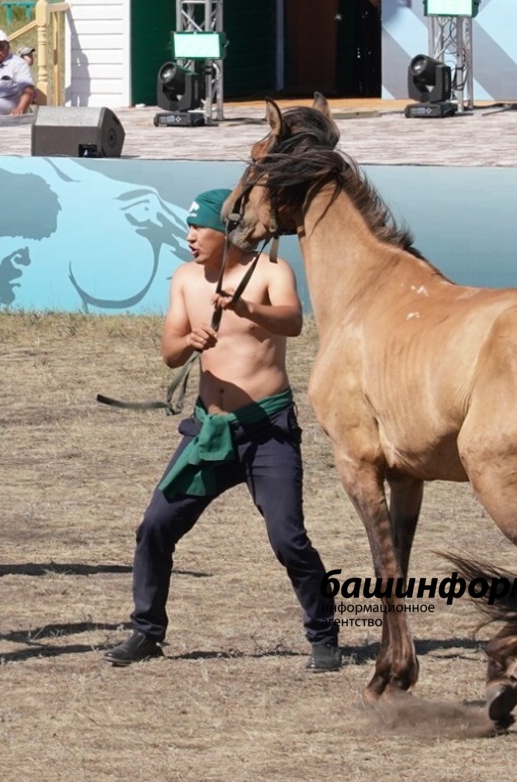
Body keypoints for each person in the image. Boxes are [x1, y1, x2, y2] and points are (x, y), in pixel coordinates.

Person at [104, 188, 340, 672]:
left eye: (199, 228)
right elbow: (170, 351)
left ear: (228, 231)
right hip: (209, 429)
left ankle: (324, 636)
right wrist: (189, 340)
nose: (189, 237)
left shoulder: (272, 272)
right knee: (154, 527)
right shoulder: (186, 279)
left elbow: (294, 321)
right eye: (188, 228)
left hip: (266, 429)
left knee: (287, 538)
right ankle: (146, 631)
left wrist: (247, 310)